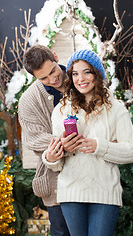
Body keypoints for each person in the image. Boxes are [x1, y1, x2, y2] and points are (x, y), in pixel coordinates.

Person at [42, 49, 133, 236]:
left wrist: (100, 146)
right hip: (71, 191)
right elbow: (55, 161)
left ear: (97, 74)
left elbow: (131, 151)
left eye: (87, 71)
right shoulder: (61, 111)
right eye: (75, 73)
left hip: (104, 192)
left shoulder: (116, 109)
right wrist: (53, 156)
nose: (81, 79)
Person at [18, 45, 81, 236]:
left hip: (90, 175)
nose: (53, 79)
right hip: (56, 183)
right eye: (43, 78)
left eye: (53, 71)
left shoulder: (80, 79)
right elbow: (34, 139)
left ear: (55, 57)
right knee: (62, 233)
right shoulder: (28, 100)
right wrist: (63, 142)